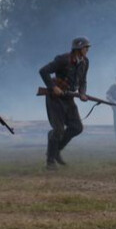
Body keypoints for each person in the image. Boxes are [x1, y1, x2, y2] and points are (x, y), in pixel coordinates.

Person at [39, 37, 91, 170]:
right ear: (78, 49)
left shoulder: (85, 62)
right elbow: (43, 71)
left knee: (77, 127)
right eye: (85, 47)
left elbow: (83, 81)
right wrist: (52, 87)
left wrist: (82, 93)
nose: (87, 50)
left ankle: (56, 150)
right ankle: (50, 161)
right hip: (55, 98)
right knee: (58, 130)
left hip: (68, 98)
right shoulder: (63, 59)